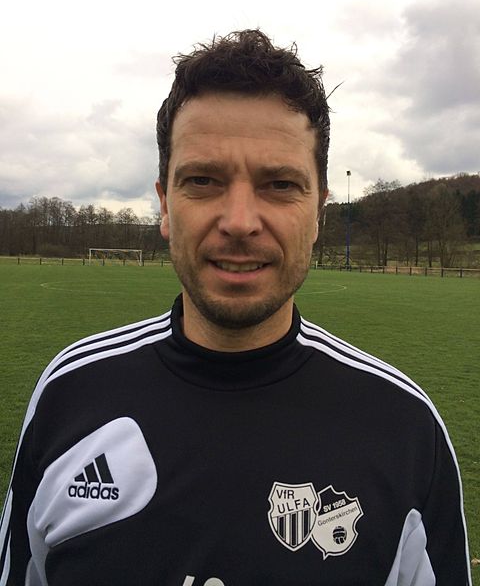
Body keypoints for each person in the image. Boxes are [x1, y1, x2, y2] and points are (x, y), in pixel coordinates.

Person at [0, 30, 471, 586]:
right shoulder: (69, 394)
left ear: (319, 212)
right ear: (165, 204)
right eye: (203, 180)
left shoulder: (406, 428)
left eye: (280, 184)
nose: (240, 222)